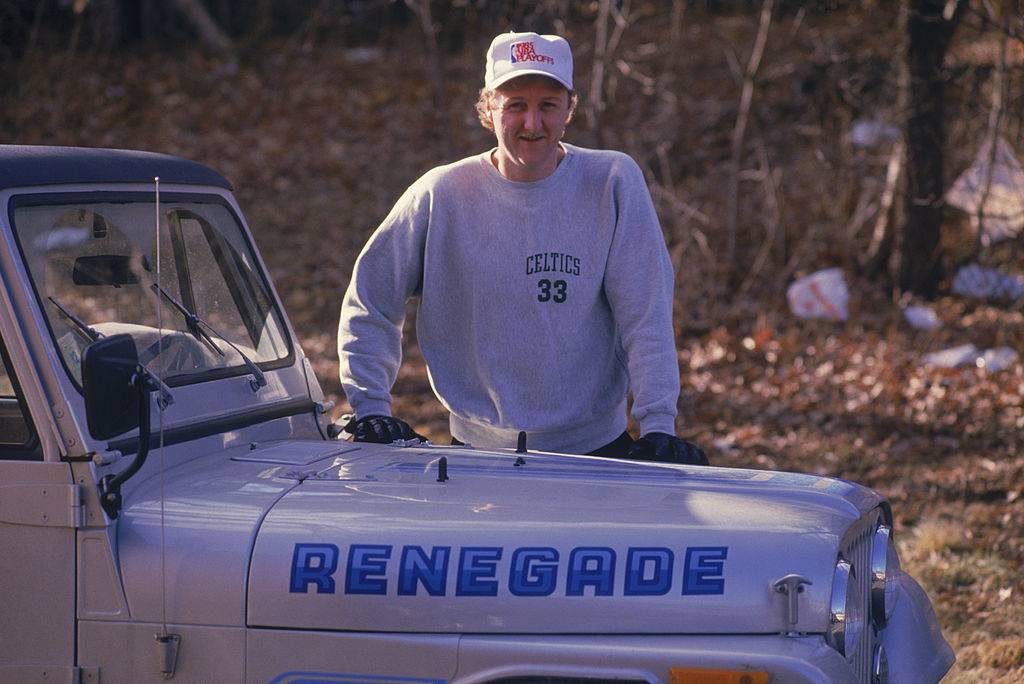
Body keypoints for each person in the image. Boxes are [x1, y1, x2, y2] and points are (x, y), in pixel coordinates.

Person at [337, 31, 708, 465]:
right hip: (477, 457)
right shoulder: (441, 195)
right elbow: (371, 297)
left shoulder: (612, 182)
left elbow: (646, 313)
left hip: (598, 453)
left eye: (547, 105)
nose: (532, 124)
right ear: (488, 109)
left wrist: (659, 424)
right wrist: (370, 407)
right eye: (515, 105)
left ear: (568, 109)